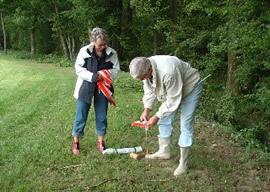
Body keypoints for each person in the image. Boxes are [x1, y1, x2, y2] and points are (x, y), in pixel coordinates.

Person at [129, 56, 203, 177]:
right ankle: (164, 151)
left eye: (141, 77)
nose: (141, 80)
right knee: (164, 118)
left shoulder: (169, 71)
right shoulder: (144, 67)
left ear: (149, 69)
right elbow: (149, 90)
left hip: (190, 87)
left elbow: (173, 100)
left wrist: (155, 117)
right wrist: (146, 110)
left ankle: (183, 163)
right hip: (173, 88)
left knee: (185, 124)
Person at [71, 28, 120, 154]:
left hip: (103, 87)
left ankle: (101, 141)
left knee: (101, 114)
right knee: (81, 114)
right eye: (100, 44)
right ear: (93, 41)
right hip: (85, 86)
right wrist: (93, 77)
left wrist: (104, 74)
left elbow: (116, 70)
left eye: (105, 44)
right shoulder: (84, 52)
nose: (103, 47)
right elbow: (78, 69)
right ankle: (76, 141)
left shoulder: (112, 53)